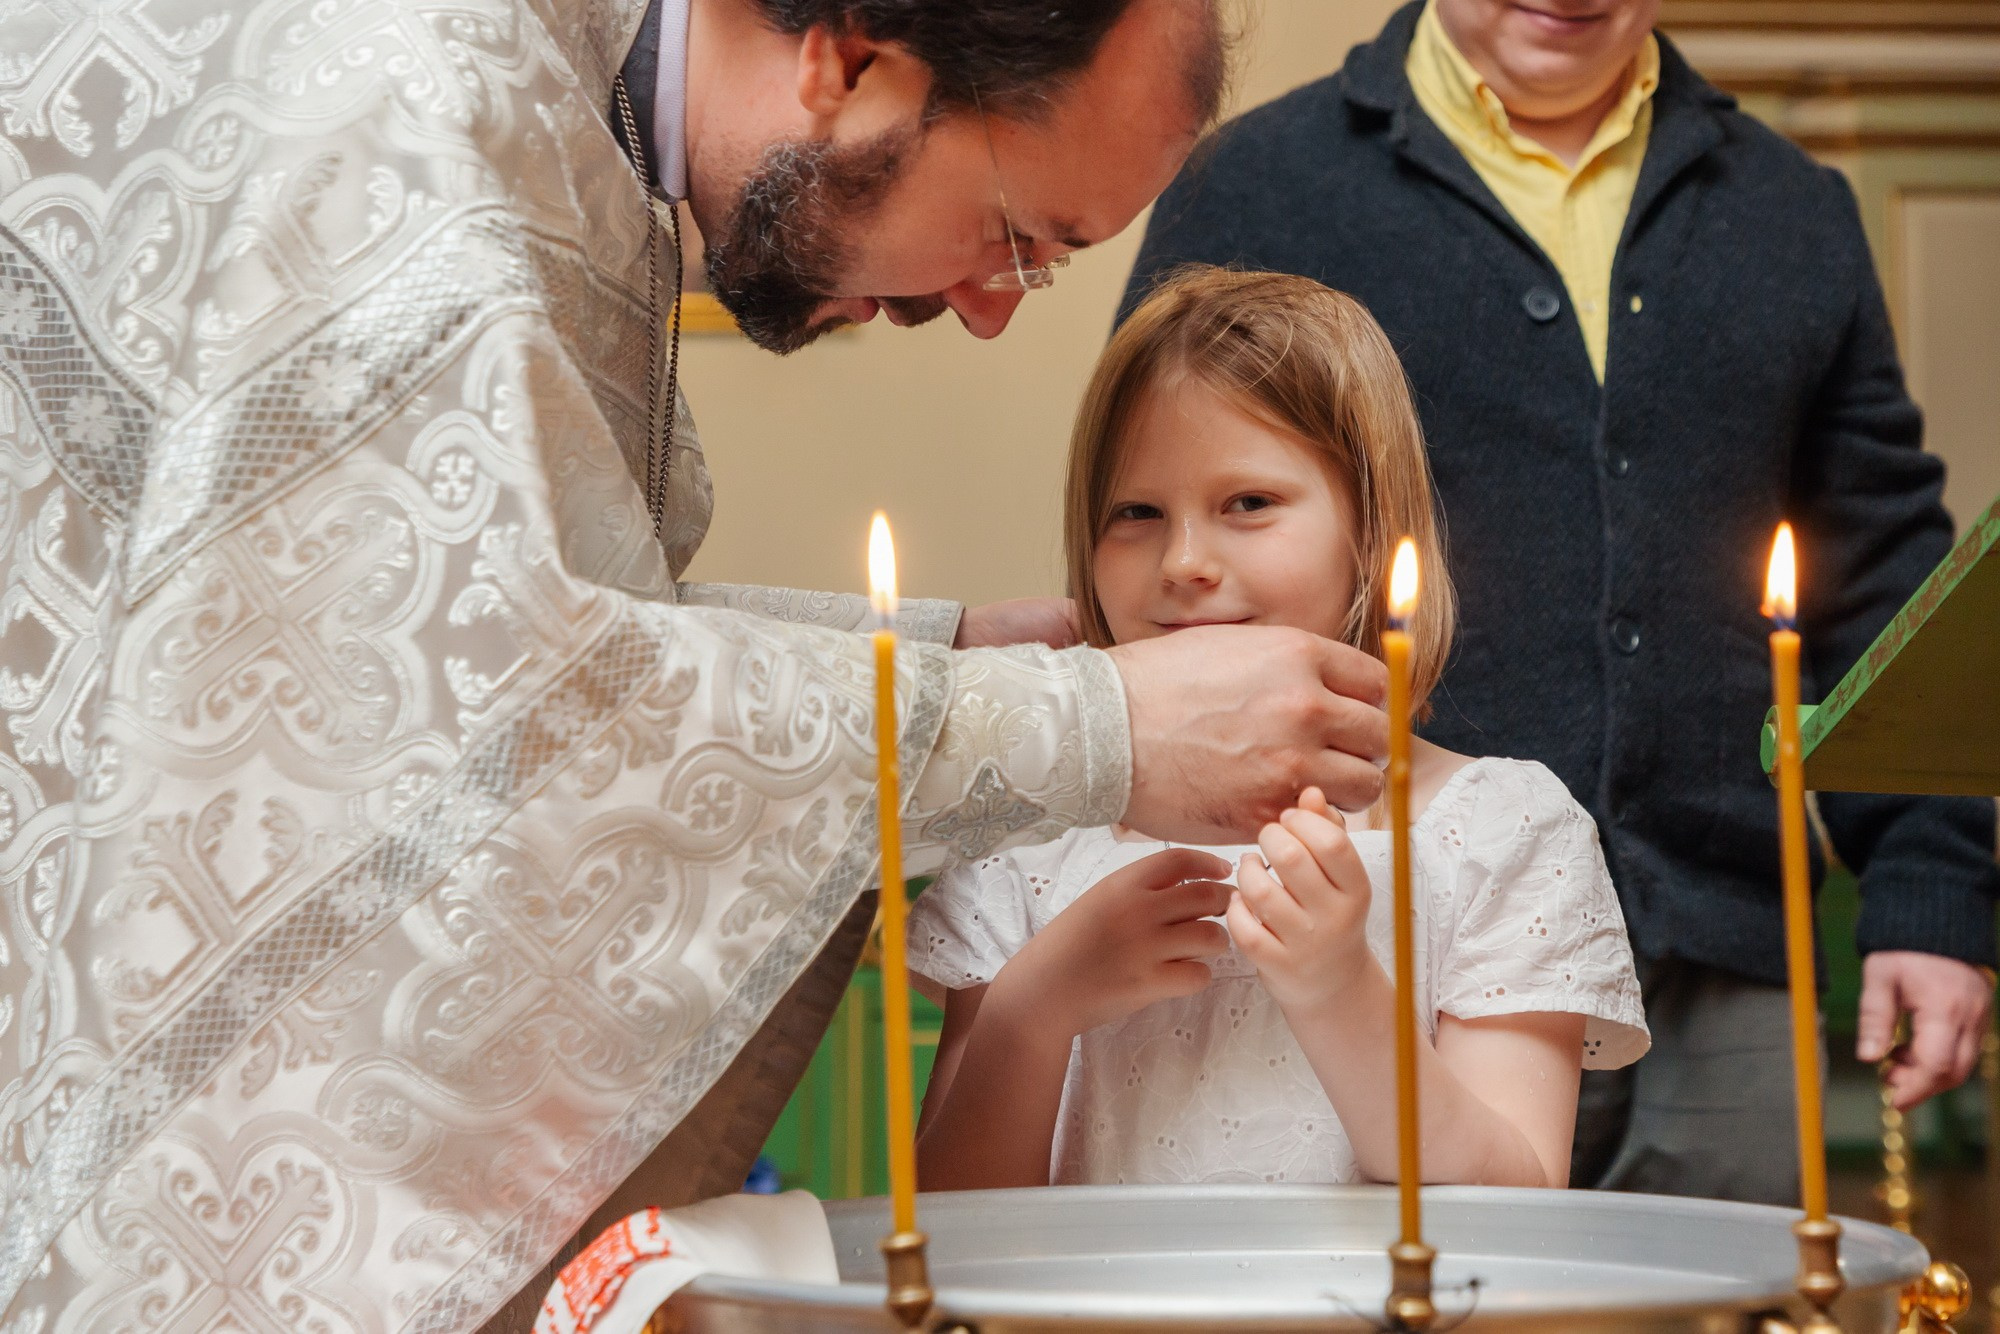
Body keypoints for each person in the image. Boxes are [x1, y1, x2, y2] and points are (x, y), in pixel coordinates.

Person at [0, 3, 1401, 1331]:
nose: (988, 311)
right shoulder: (408, 113)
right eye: (1013, 235)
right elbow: (434, 753)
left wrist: (941, 660)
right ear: (852, 60)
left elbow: (450, 651)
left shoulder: (548, 96)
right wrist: (1086, 730)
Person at [1121, 0, 1999, 1204]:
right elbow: (1162, 531)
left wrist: (1928, 888)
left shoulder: (1792, 211)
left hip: (1722, 958)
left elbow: (1880, 570)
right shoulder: (1255, 184)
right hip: (1378, 937)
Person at [910, 268, 1648, 1191]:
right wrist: (1035, 1006)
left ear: (1371, 533)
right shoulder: (1025, 831)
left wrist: (1337, 987)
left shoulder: (1503, 831)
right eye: (1136, 514)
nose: (1183, 562)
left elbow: (1512, 1194)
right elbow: (944, 1220)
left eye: (1247, 504)